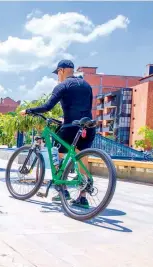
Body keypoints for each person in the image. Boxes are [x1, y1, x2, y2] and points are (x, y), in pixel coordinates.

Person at [20, 59, 95, 208]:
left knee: (56, 151)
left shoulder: (63, 85)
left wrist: (29, 111)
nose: (57, 76)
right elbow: (86, 107)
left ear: (61, 71)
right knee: (82, 158)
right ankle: (82, 198)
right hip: (87, 126)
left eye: (57, 73)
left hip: (70, 128)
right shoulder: (87, 85)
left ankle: (62, 190)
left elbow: (47, 106)